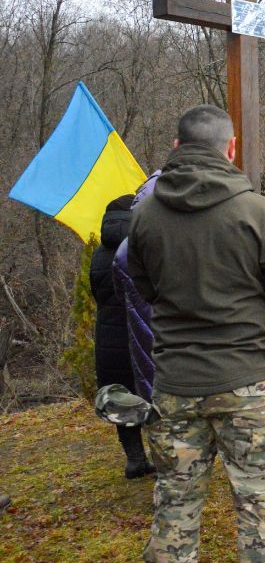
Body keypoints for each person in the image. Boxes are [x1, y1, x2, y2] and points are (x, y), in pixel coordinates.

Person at [128, 105, 265, 563]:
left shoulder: (144, 216)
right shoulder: (259, 211)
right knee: (259, 507)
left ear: (176, 148)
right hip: (247, 382)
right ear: (230, 149)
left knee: (174, 504)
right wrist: (247, 318)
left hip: (175, 383)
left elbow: (145, 287)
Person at [90, 193, 155, 480]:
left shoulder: (98, 254)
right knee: (152, 395)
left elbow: (99, 294)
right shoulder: (143, 247)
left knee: (121, 394)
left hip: (109, 334)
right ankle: (164, 457)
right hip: (141, 331)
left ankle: (135, 458)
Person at [113, 171, 162, 402]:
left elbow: (119, 293)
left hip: (146, 344)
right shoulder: (193, 235)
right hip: (188, 360)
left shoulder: (126, 249)